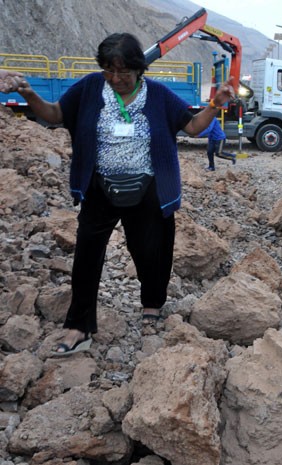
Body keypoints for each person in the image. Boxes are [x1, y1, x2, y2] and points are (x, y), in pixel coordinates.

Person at [0, 33, 235, 356]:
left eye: (124, 72)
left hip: (149, 187)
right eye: (110, 71)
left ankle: (152, 302)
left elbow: (193, 128)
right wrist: (28, 94)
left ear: (139, 69)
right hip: (100, 186)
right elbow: (54, 115)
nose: (116, 79)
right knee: (86, 253)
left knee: (151, 249)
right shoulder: (90, 88)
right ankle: (78, 325)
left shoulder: (159, 95)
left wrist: (215, 104)